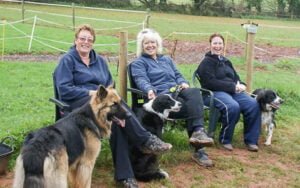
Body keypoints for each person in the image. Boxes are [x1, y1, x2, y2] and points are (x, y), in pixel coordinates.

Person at [54, 24, 173, 188]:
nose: (86, 42)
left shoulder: (100, 61)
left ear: (93, 42)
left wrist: (105, 97)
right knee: (115, 115)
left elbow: (110, 84)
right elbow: (65, 90)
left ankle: (125, 176)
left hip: (102, 106)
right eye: (82, 38)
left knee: (117, 120)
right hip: (78, 105)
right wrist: (92, 93)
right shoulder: (67, 60)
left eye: (89, 39)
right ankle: (144, 142)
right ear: (76, 40)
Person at [130, 28, 214, 167]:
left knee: (194, 92)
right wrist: (149, 89)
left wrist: (183, 82)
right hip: (163, 98)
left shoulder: (166, 59)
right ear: (142, 46)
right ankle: (200, 151)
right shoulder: (139, 63)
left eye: (153, 42)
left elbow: (178, 75)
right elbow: (141, 80)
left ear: (158, 44)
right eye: (147, 43)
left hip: (178, 91)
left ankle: (198, 132)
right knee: (193, 107)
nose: (150, 46)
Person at [196, 33, 261, 152]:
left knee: (253, 104)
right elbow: (209, 83)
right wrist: (232, 87)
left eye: (220, 43)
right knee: (232, 106)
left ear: (223, 45)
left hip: (233, 92)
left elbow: (235, 77)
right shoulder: (206, 62)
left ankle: (251, 141)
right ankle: (225, 139)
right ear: (210, 45)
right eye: (215, 43)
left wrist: (241, 84)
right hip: (213, 93)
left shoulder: (226, 61)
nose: (217, 46)